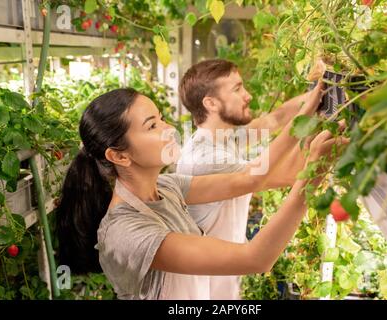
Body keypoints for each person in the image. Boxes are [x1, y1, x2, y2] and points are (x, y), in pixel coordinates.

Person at [56, 88, 347, 300]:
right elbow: (256, 258)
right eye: (152, 126)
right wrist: (312, 176)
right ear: (119, 156)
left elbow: (250, 179)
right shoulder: (127, 231)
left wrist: (309, 124)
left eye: (161, 118)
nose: (169, 129)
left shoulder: (168, 188)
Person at [176, 59, 324, 299]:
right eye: (237, 89)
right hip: (205, 293)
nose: (247, 96)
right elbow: (291, 172)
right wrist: (315, 114)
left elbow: (274, 120)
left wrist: (318, 92)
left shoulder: (222, 138)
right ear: (211, 103)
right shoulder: (207, 158)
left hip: (223, 282)